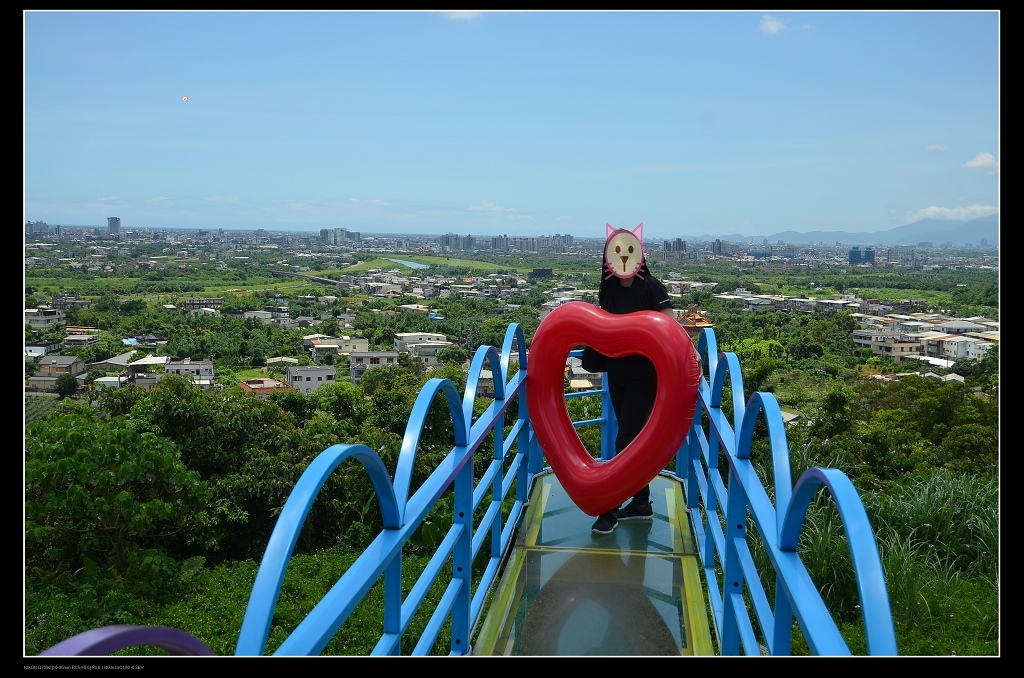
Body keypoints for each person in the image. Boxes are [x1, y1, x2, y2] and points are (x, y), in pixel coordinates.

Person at [589, 222, 699, 535]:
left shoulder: (653, 288)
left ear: (640, 254)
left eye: (629, 250)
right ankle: (641, 503)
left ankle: (609, 508)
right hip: (618, 374)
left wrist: (691, 354)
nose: (623, 258)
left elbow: (670, 329)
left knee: (624, 441)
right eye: (617, 252)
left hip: (645, 377)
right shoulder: (608, 290)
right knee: (632, 439)